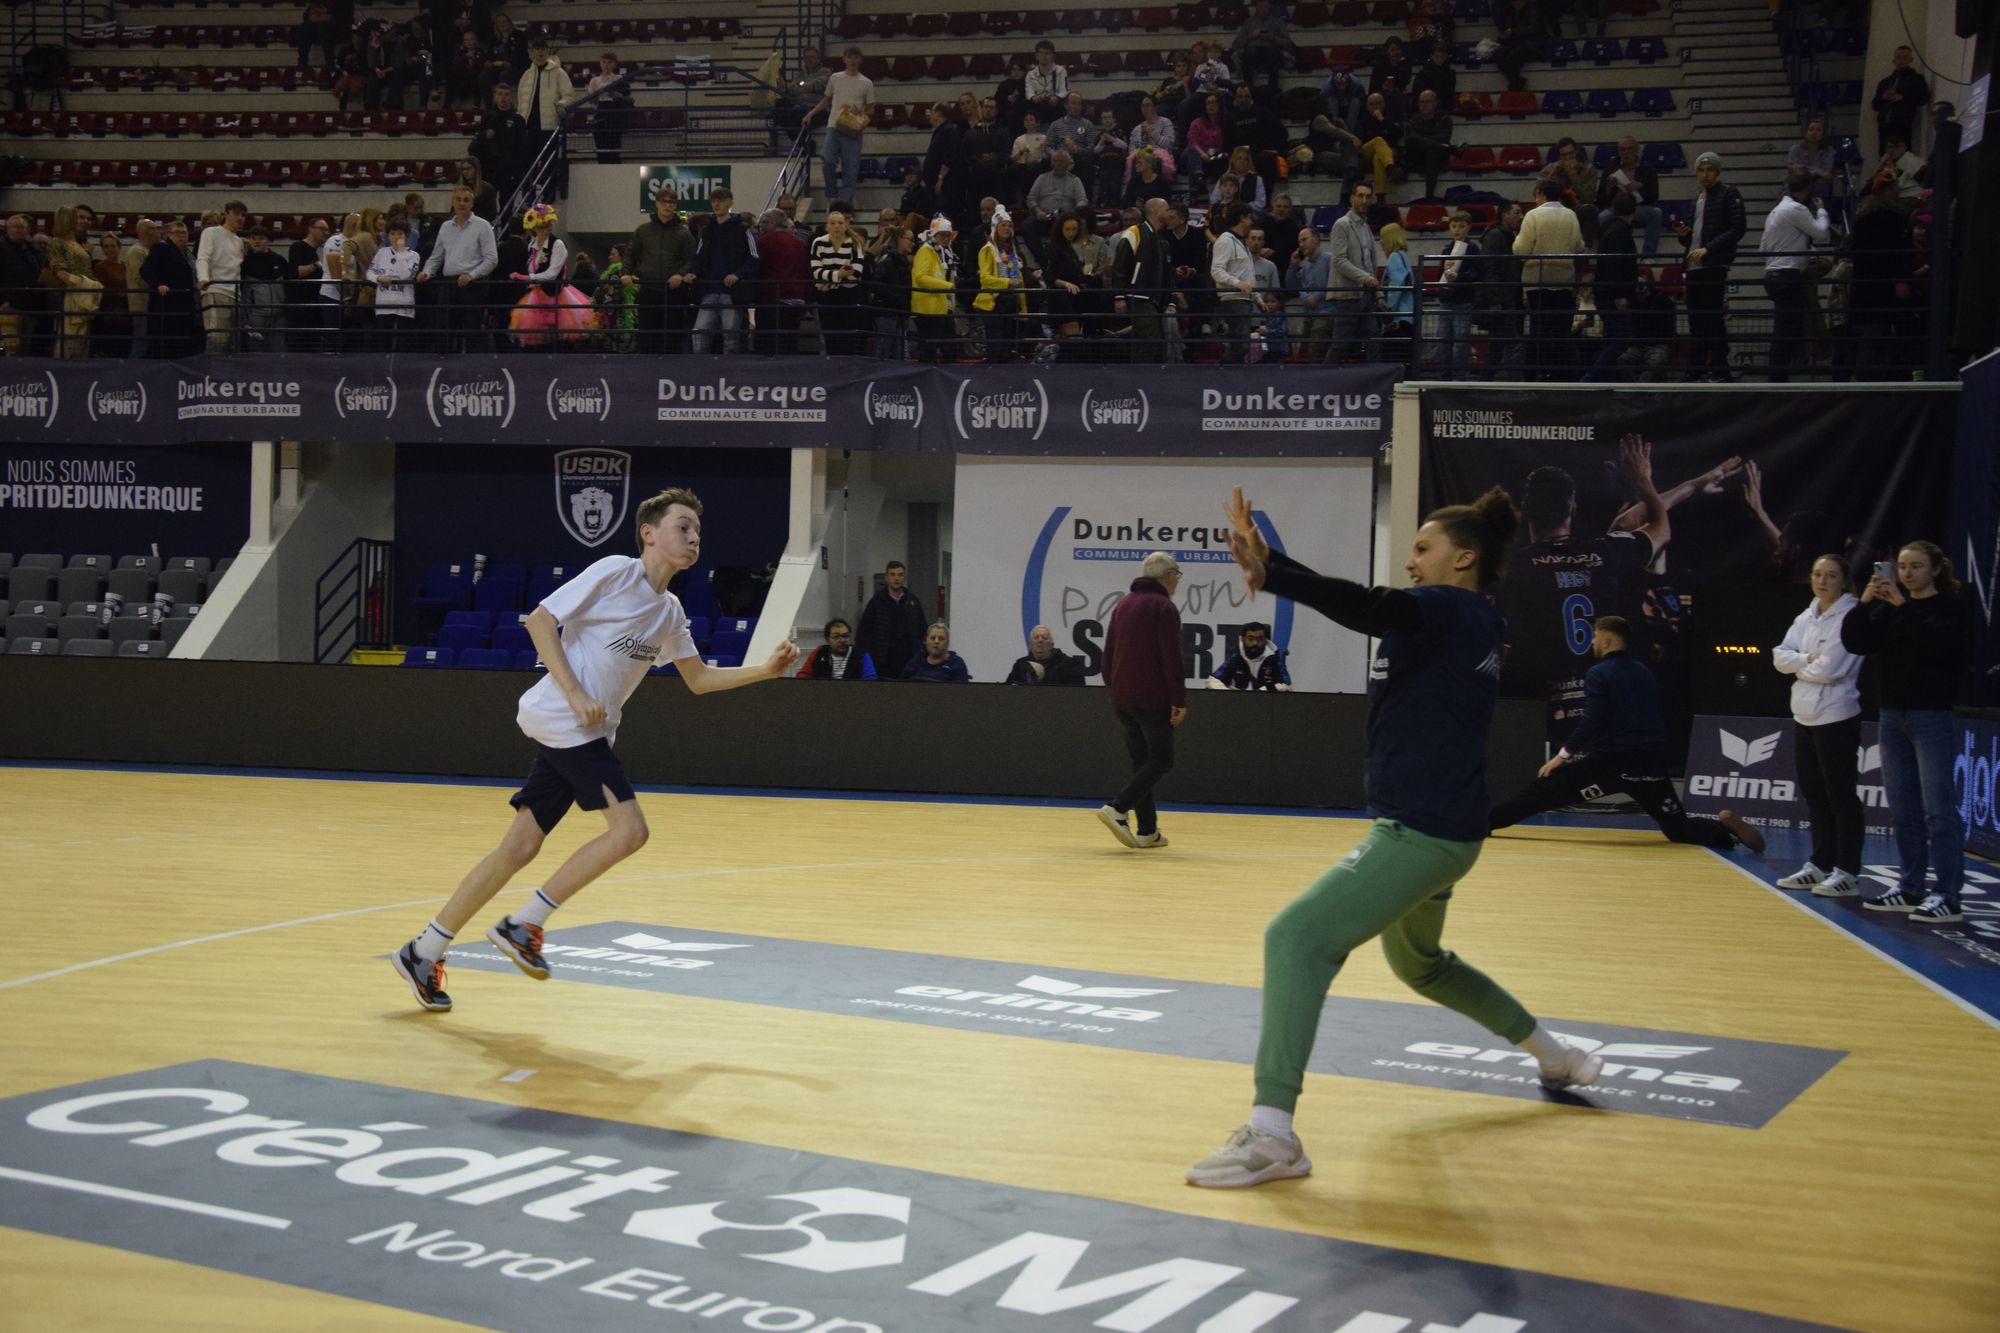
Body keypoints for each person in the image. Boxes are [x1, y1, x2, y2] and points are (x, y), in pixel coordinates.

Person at [1187, 485, 1606, 1190]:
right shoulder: (1471, 620)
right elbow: (1379, 613)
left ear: (1463, 557)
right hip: (1448, 825)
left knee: (1294, 937)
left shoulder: (1448, 608)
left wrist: (1276, 569)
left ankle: (1274, 1134)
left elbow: (1371, 605)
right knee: (1424, 965)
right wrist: (1272, 572)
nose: (1410, 559)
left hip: (1423, 830)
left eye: (1422, 547)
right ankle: (1557, 1056)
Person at [390, 489, 801, 1012]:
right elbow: (539, 622)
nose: (693, 537)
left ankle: (423, 951)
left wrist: (764, 671)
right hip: (564, 717)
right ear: (649, 533)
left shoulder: (671, 612)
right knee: (630, 831)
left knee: (518, 849)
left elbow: (697, 679)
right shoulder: (614, 572)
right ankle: (524, 924)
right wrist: (576, 693)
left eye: (698, 530)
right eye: (682, 526)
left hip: (586, 733)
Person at [1490, 615, 1765, 850]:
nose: (1592, 642)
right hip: (1650, 762)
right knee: (1677, 828)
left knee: (1539, 794)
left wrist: (1563, 755)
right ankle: (1725, 834)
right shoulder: (1644, 672)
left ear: (1607, 641)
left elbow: (1592, 720)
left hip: (1610, 762)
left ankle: (1479, 824)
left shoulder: (1599, 673)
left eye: (1595, 637)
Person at [1498, 439, 1668, 737]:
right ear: (1574, 509)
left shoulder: (1510, 567)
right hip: (1603, 704)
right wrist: (1643, 480)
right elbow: (1661, 527)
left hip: (1539, 711)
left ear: (1525, 509)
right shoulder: (1609, 550)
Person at [1840, 541, 1971, 924]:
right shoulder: (1890, 610)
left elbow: (1941, 646)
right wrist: (1864, 604)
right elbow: (1855, 641)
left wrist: (1902, 605)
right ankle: (1910, 885)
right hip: (1892, 716)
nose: (1907, 573)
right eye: (1901, 566)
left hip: (1930, 717)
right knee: (1902, 809)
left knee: (1939, 811)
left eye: (1916, 566)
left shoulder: (1948, 608)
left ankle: (1948, 893)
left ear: (1934, 570)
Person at [1770, 555, 1864, 898]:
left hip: (1837, 715)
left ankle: (1848, 871)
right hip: (1803, 715)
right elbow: (1780, 656)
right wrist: (1807, 661)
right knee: (1815, 795)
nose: (1822, 581)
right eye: (1817, 574)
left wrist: (1802, 662)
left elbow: (1832, 669)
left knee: (1841, 796)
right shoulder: (1807, 615)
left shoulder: (1851, 614)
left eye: (1831, 575)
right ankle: (1820, 863)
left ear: (1844, 580)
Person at [1097, 551, 1186, 850]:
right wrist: (1178, 699)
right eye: (1177, 574)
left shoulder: (1123, 604)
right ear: (1166, 575)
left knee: (1141, 762)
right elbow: (1171, 658)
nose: (1177, 581)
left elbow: (1107, 654)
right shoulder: (1163, 607)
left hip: (1122, 697)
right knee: (1162, 758)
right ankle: (1118, 808)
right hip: (1152, 697)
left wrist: (1113, 688)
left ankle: (1148, 831)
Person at [1674, 152, 1746, 382]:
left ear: (1718, 171)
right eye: (1701, 170)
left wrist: (1710, 249)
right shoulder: (1698, 199)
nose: (1705, 175)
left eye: (1709, 170)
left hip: (1713, 265)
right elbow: (1694, 238)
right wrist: (1684, 237)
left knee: (1713, 318)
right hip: (1694, 265)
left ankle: (1719, 369)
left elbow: (1738, 228)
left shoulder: (1728, 194)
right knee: (1697, 320)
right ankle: (1696, 369)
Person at [1761, 167, 1831, 383]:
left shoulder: (1775, 212)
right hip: (1788, 275)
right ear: (1809, 189)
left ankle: (1778, 377)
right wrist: (1821, 210)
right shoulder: (1796, 210)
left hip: (1772, 274)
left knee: (1785, 328)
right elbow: (1821, 233)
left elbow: (1763, 248)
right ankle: (1777, 380)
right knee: (1786, 331)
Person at [1516, 172, 1582, 380]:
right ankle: (1560, 376)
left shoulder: (1533, 215)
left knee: (1538, 329)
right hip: (1564, 279)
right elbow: (1579, 247)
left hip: (1538, 280)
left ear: (1541, 194)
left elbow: (1521, 249)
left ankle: (1533, 377)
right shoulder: (1571, 215)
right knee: (1561, 330)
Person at [417, 185, 498, 352]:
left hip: (472, 285)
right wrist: (426, 272)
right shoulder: (445, 227)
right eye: (458, 200)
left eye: (466, 200)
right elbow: (436, 256)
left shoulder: (483, 226)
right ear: (453, 202)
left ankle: (472, 374)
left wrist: (472, 275)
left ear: (472, 204)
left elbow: (492, 259)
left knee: (471, 334)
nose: (462, 203)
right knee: (444, 332)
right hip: (448, 285)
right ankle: (444, 371)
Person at [507, 203, 596, 347]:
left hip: (555, 295)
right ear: (534, 228)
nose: (547, 229)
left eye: (549, 225)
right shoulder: (532, 245)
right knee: (537, 337)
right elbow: (532, 268)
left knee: (557, 335)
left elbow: (552, 274)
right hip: (536, 295)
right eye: (542, 226)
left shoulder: (557, 244)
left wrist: (528, 277)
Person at [625, 184, 695, 355]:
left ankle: (673, 376)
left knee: (673, 337)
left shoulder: (684, 233)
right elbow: (630, 254)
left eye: (671, 202)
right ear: (656, 204)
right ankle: (646, 374)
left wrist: (680, 274)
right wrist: (625, 273)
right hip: (648, 289)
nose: (667, 205)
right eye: (663, 202)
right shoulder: (642, 231)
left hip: (675, 292)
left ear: (676, 206)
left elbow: (692, 259)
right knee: (647, 336)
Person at [689, 187, 760, 354]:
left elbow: (754, 258)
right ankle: (705, 375)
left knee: (730, 340)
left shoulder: (743, 229)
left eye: (720, 200)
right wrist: (693, 272)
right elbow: (698, 257)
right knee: (699, 337)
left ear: (730, 202)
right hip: (710, 291)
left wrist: (738, 274)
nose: (716, 204)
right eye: (713, 201)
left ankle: (725, 375)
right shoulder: (707, 230)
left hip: (730, 293)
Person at [807, 45, 875, 206]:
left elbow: (871, 107)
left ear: (860, 60)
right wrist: (810, 114)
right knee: (828, 161)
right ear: (844, 59)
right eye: (849, 57)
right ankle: (832, 196)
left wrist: (861, 114)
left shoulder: (866, 83)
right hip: (834, 126)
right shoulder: (835, 78)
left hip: (853, 129)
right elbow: (826, 99)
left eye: (855, 57)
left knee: (850, 170)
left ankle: (844, 205)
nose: (852, 60)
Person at [1325, 181, 1381, 364]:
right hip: (1348, 293)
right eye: (1360, 195)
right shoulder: (1342, 225)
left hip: (1366, 293)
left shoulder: (1366, 228)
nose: (1364, 200)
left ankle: (1378, 382)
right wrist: (1365, 278)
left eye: (1368, 196)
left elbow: (1370, 264)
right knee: (1341, 343)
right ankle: (1322, 383)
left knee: (1373, 340)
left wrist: (1378, 294)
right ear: (1352, 198)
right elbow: (1339, 260)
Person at [857, 560, 930, 680]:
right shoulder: (876, 602)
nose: (896, 578)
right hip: (882, 661)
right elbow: (863, 633)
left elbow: (923, 631)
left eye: (900, 575)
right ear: (886, 578)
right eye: (892, 575)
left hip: (909, 661)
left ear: (904, 578)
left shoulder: (913, 602)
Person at [974, 206, 1030, 363]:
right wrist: (1008, 282)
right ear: (995, 228)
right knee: (996, 344)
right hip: (994, 303)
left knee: (1007, 346)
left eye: (1009, 225)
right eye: (1003, 225)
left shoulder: (1011, 250)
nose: (1007, 228)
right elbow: (985, 279)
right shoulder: (988, 250)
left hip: (1010, 300)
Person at [810, 206, 868, 355]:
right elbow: (816, 271)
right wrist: (840, 274)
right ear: (827, 226)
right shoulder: (818, 242)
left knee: (848, 336)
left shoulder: (855, 243)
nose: (837, 226)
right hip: (827, 297)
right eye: (833, 223)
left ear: (846, 225)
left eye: (840, 223)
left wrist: (829, 279)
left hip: (849, 295)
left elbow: (857, 272)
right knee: (830, 336)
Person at [1478, 200, 1525, 379]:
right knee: (1512, 344)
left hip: (1507, 298)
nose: (1520, 216)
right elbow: (1489, 267)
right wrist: (1495, 299)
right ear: (1504, 215)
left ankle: (1484, 384)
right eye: (1516, 212)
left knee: (1496, 347)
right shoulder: (1496, 236)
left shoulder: (1509, 237)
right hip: (1501, 300)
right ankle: (1517, 387)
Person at [140, 219, 199, 358]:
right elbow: (145, 270)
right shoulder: (161, 248)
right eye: (177, 233)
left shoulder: (187, 253)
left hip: (185, 305)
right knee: (167, 345)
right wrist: (158, 284)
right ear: (168, 234)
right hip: (167, 307)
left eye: (184, 233)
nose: (181, 236)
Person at [194, 199, 246, 354]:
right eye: (236, 214)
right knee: (217, 339)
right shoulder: (211, 232)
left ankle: (226, 377)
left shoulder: (239, 242)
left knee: (232, 343)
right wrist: (203, 278)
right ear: (226, 215)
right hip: (216, 290)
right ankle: (210, 376)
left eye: (243, 215)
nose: (240, 218)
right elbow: (203, 257)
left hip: (235, 295)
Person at [1597, 136, 1662, 256]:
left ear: (1637, 149)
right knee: (1601, 218)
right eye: (1622, 150)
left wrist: (1641, 187)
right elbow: (1601, 199)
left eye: (1629, 149)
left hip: (1637, 207)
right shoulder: (1611, 169)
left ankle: (1648, 256)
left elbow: (1654, 197)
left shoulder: (1648, 170)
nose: (1626, 153)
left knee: (1656, 213)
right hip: (1616, 208)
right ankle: (1603, 255)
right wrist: (1608, 187)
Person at [1211, 201, 1259, 364]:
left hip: (1243, 300)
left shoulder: (1240, 243)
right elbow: (1216, 270)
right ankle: (1222, 373)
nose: (1251, 222)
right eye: (1249, 218)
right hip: (1233, 300)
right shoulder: (1225, 241)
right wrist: (1237, 283)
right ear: (1242, 218)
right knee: (1241, 345)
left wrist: (1257, 298)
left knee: (1240, 345)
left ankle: (1228, 377)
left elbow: (1248, 276)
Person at [368, 219, 423, 350]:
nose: (396, 237)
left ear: (406, 235)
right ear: (388, 236)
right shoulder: (382, 253)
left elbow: (406, 275)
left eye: (400, 233)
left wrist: (399, 254)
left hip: (404, 304)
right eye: (392, 233)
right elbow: (369, 273)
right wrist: (379, 277)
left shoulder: (414, 255)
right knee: (383, 342)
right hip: (384, 304)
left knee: (404, 343)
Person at [911, 215, 959, 361]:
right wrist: (948, 286)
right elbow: (921, 277)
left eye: (948, 235)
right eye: (942, 235)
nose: (945, 238)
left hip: (943, 308)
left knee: (950, 349)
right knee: (929, 351)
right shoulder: (926, 251)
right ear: (934, 235)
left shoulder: (944, 253)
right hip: (928, 309)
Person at [1870, 45, 1928, 161]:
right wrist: (1883, 98)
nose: (1901, 60)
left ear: (1910, 60)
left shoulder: (1917, 79)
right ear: (1894, 60)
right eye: (1898, 57)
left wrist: (1902, 97)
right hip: (1885, 126)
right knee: (1885, 159)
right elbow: (1875, 105)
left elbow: (1924, 98)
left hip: (1903, 125)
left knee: (1903, 159)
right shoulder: (1885, 82)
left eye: (1904, 57)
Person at [1286, 225, 1332, 363]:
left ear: (1316, 240)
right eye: (1299, 241)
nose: (1301, 245)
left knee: (1315, 352)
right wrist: (1293, 265)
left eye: (1304, 240)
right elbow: (1292, 287)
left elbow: (1334, 284)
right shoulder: (1305, 266)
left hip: (1326, 312)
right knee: (1305, 355)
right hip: (1310, 315)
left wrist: (1316, 296)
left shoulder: (1329, 259)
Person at [1401, 90, 1453, 201]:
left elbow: (1444, 138)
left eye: (1427, 102)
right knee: (1414, 141)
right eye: (1421, 102)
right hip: (1416, 156)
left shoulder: (1445, 119)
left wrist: (1422, 141)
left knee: (1431, 152)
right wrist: (1439, 145)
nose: (1424, 105)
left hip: (1436, 157)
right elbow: (1410, 140)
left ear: (1435, 103)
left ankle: (1429, 194)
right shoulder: (1413, 120)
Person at [1208, 621, 1290, 690]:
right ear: (1243, 639)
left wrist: (1258, 695)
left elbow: (1285, 685)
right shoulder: (1236, 656)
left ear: (1266, 640)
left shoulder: (1273, 658)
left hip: (1266, 704)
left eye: (1260, 639)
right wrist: (1229, 694)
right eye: (1251, 639)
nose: (1255, 643)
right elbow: (1213, 680)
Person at [796, 619, 876, 680]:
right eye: (836, 637)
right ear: (827, 640)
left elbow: (870, 681)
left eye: (846, 636)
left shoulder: (861, 655)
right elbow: (802, 677)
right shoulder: (819, 652)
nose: (842, 640)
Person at [1006, 624, 1085, 685]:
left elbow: (1078, 694)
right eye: (1036, 637)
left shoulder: (1070, 665)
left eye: (1044, 637)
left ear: (1052, 644)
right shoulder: (1021, 665)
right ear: (1030, 643)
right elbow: (1008, 690)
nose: (1040, 640)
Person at [902, 621, 971, 682]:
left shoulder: (956, 663)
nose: (936, 641)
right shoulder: (916, 661)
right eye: (932, 638)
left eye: (941, 639)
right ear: (925, 641)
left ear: (947, 642)